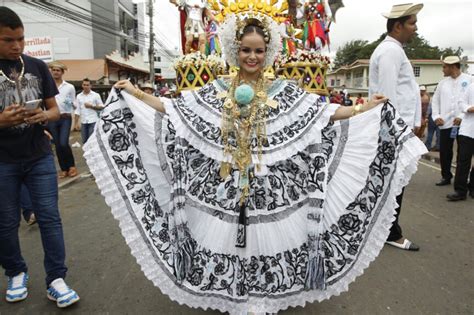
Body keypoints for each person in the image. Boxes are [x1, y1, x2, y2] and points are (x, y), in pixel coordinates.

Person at [84, 11, 426, 314]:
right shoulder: (218, 88)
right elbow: (176, 109)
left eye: (259, 50)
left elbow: (321, 113)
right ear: (235, 51)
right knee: (231, 242)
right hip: (227, 186)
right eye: (246, 50)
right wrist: (138, 94)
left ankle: (261, 301)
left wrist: (362, 108)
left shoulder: (283, 89)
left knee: (268, 243)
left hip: (269, 185)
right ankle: (236, 296)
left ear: (268, 52)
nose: (252, 56)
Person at [0, 7, 79, 307]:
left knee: (49, 218)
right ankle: (16, 271)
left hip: (39, 157)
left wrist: (41, 116)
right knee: (6, 222)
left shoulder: (37, 66)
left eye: (21, 39)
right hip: (3, 161)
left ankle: (56, 279)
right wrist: (3, 120)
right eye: (8, 40)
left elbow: (56, 110)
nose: (17, 45)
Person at [368, 3, 424, 251]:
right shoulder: (391, 52)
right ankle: (391, 232)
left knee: (391, 181)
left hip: (395, 128)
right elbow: (388, 95)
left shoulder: (395, 50)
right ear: (398, 26)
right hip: (393, 130)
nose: (416, 28)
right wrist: (398, 132)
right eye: (412, 23)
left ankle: (382, 227)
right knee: (394, 181)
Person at [431, 56, 473, 186]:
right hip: (445, 123)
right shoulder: (442, 83)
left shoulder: (470, 80)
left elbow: (469, 102)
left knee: (463, 154)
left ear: (453, 67)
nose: (443, 70)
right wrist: (436, 116)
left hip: (464, 124)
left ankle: (464, 180)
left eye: (445, 67)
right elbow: (435, 101)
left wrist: (461, 116)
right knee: (445, 151)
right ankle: (446, 176)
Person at [47, 61, 77, 178]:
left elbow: (74, 103)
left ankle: (72, 166)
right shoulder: (47, 85)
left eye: (58, 70)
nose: (55, 72)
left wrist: (71, 104)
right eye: (53, 70)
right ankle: (64, 169)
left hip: (65, 117)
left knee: (64, 143)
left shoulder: (69, 87)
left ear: (62, 72)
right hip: (52, 118)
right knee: (58, 145)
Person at [446, 82, 474, 201]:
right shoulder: (471, 86)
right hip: (468, 130)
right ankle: (460, 190)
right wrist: (469, 108)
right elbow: (461, 102)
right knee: (463, 161)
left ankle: (472, 188)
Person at [74, 78, 104, 144]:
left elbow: (102, 107)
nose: (86, 86)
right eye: (84, 85)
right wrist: (76, 123)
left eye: (87, 85)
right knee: (84, 141)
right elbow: (77, 110)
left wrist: (91, 106)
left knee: (92, 141)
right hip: (83, 122)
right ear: (82, 85)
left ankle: (93, 154)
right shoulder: (79, 96)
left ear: (91, 86)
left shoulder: (96, 95)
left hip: (93, 120)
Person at [425, 87, 440, 151]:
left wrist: (427, 116)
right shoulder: (444, 98)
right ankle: (438, 146)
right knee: (439, 133)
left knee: (430, 132)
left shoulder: (433, 98)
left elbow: (429, 108)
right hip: (440, 117)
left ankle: (428, 146)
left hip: (432, 117)